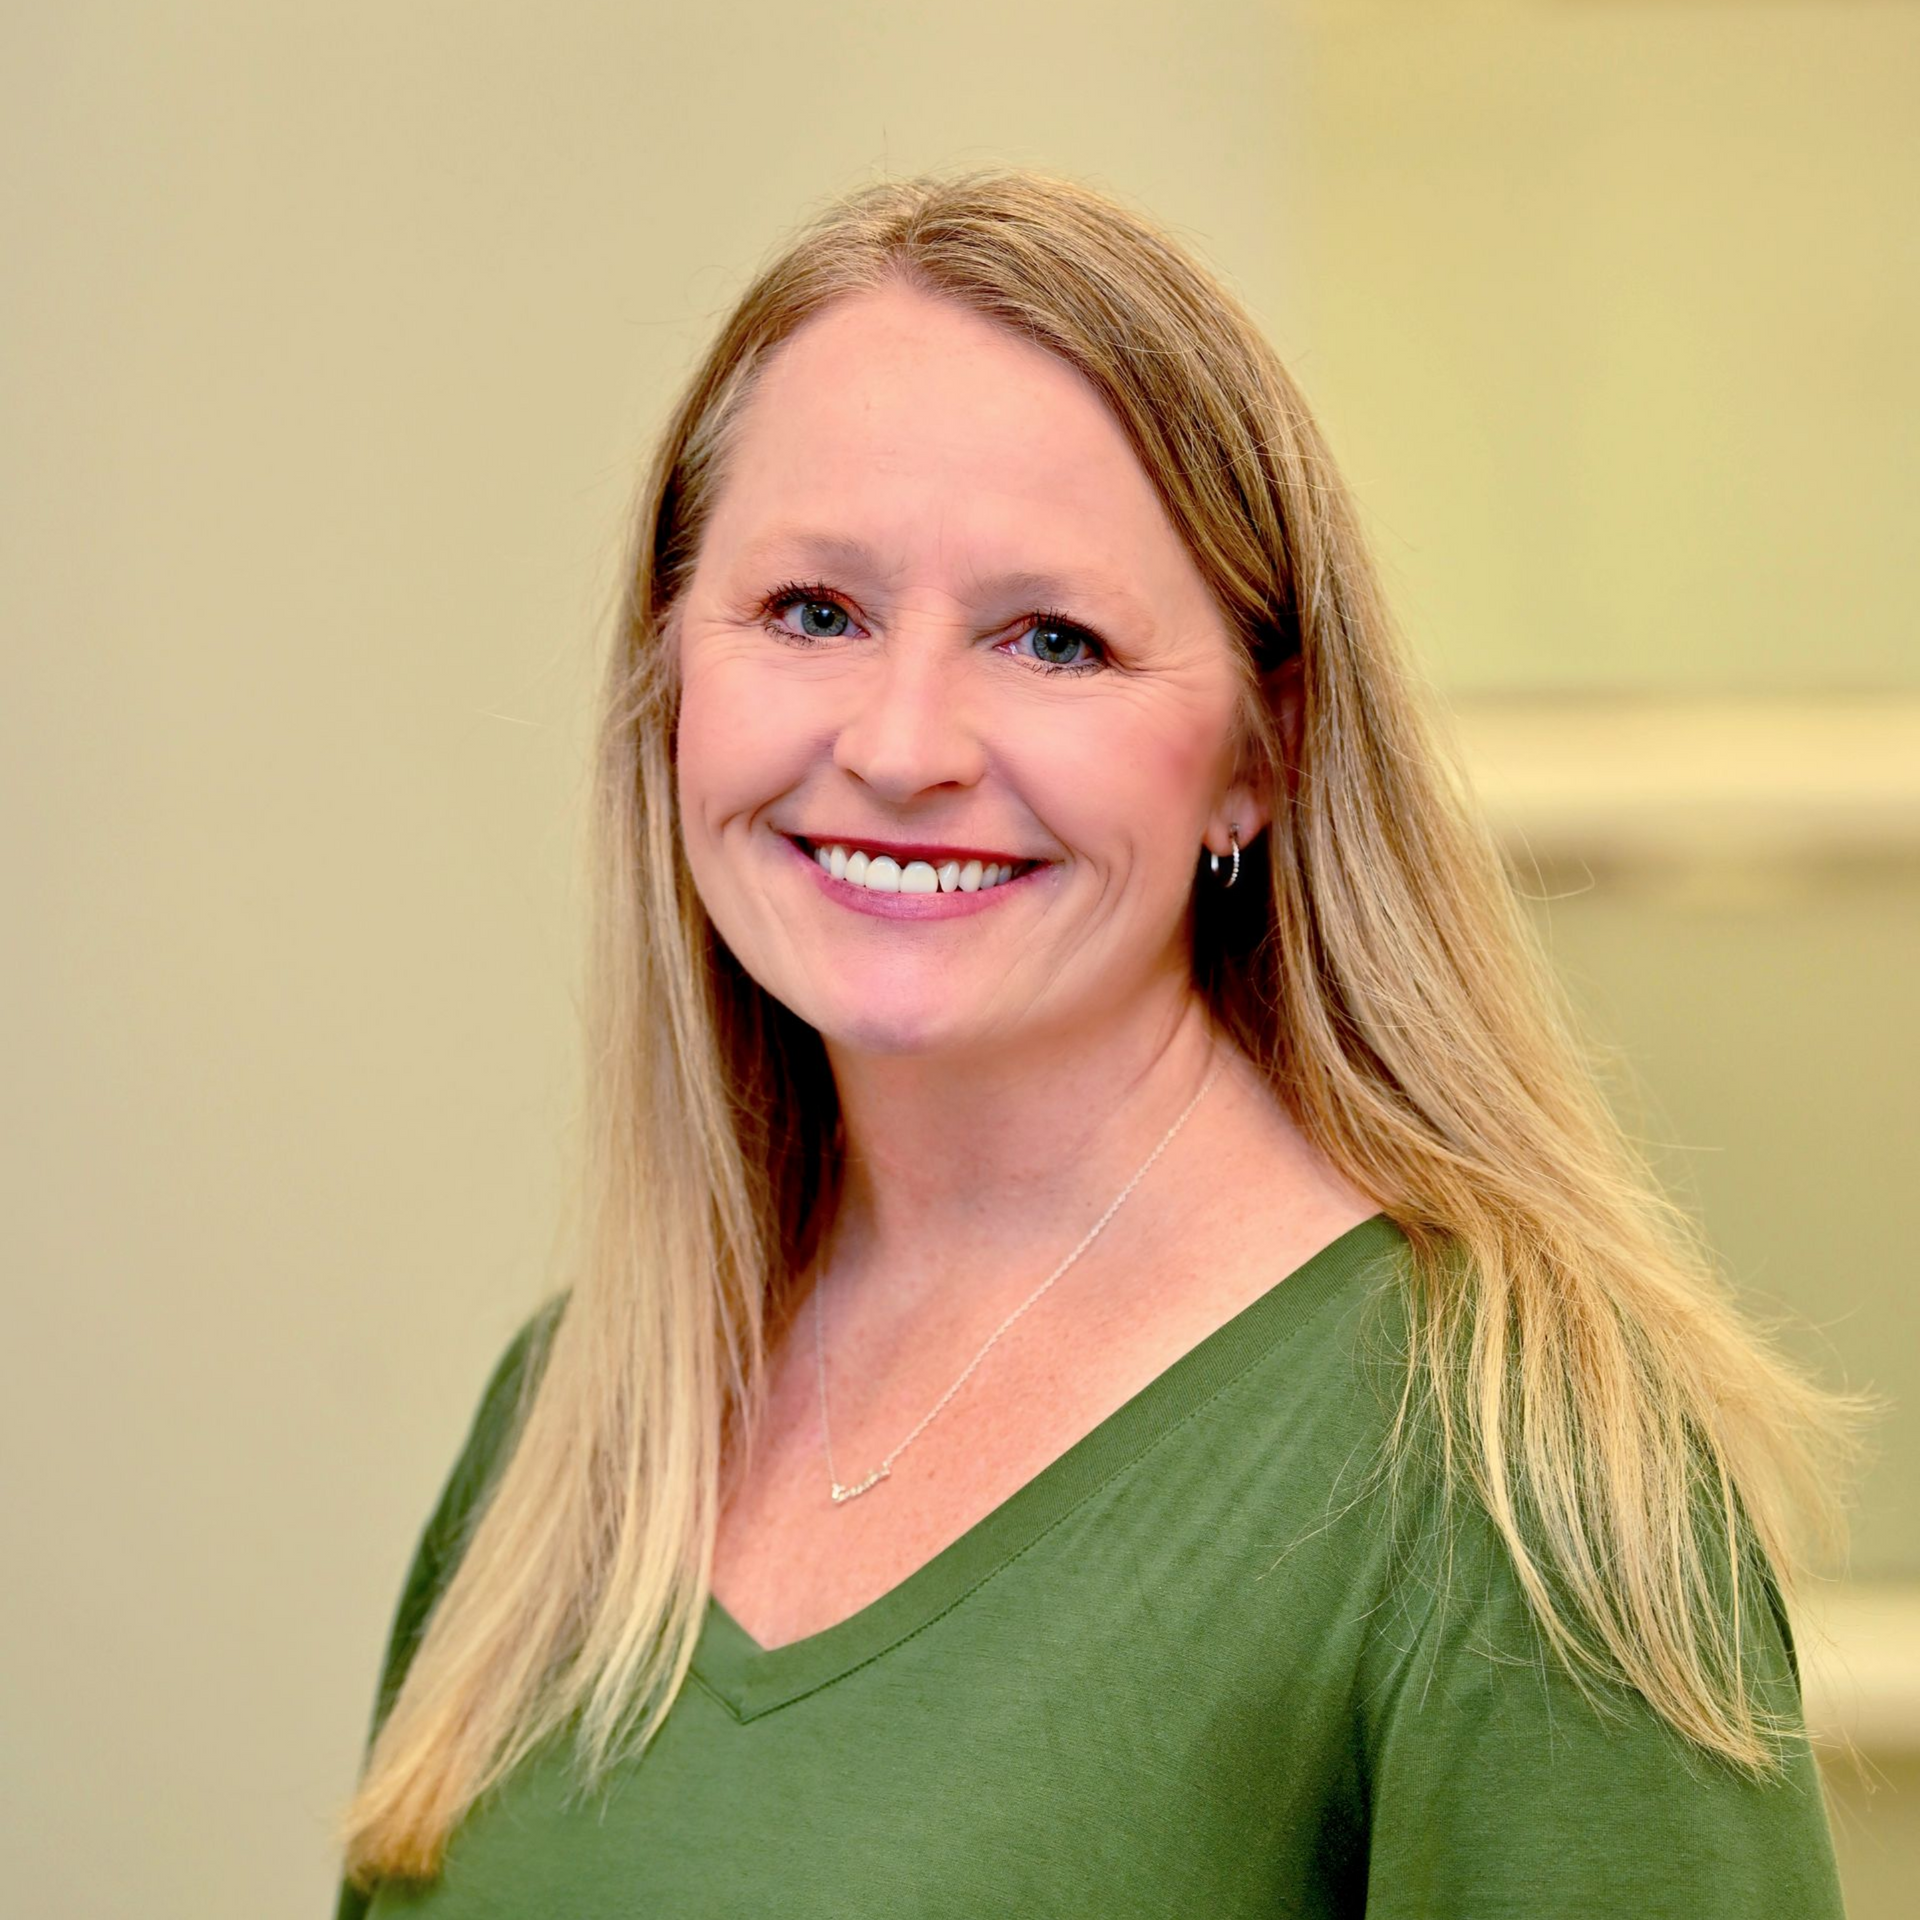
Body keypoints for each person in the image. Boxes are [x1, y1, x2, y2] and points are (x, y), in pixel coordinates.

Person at [331, 167, 1861, 1916]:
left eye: (1053, 640)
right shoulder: (581, 1421)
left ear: (1259, 754)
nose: (902, 744)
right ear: (671, 663)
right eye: (814, 612)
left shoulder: (1508, 1480)